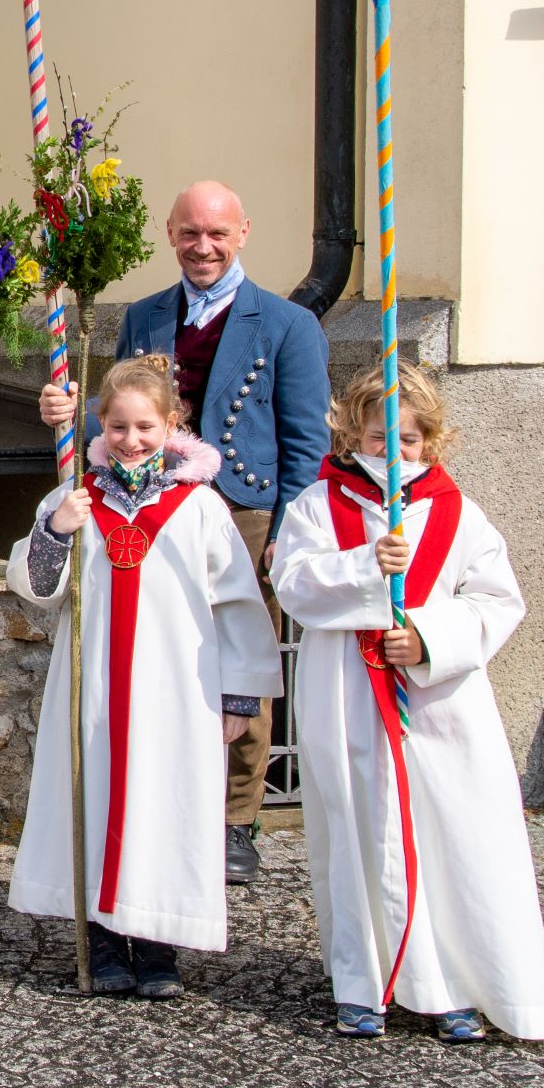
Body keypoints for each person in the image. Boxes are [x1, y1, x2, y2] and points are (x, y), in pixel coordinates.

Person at [36, 180, 326, 885]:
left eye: (217, 234)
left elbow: (306, 441)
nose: (203, 247)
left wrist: (286, 537)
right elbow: (124, 416)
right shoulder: (144, 314)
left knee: (236, 658)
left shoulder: (286, 325)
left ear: (243, 233)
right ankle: (157, 796)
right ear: (170, 234)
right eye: (190, 233)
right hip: (145, 501)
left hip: (240, 508)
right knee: (163, 657)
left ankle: (234, 820)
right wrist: (66, 414)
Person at [270, 364, 544, 1042]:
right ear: (350, 436)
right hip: (348, 697)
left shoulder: (459, 515)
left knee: (446, 834)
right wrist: (366, 566)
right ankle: (362, 981)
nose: (391, 457)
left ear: (432, 442)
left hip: (438, 705)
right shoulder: (318, 507)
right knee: (360, 832)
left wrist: (424, 637)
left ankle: (449, 983)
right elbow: (293, 585)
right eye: (375, 440)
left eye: (408, 443)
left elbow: (494, 602)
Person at [2, 356, 281, 998]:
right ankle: (102, 936)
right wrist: (54, 530)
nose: (131, 440)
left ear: (171, 425)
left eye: (146, 427)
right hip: (94, 687)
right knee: (95, 798)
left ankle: (157, 942)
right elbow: (38, 590)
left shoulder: (201, 508)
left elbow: (236, 602)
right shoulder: (76, 494)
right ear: (101, 422)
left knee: (165, 804)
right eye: (120, 426)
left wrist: (237, 693)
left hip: (174, 690)